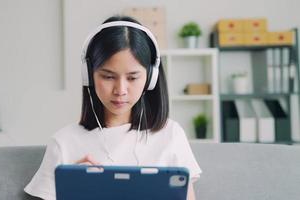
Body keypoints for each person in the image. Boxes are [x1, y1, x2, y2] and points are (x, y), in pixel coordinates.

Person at [24, 15, 202, 200]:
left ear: (151, 79)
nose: (120, 90)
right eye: (108, 77)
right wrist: (73, 190)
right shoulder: (64, 143)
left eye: (132, 78)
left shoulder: (170, 134)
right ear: (89, 76)